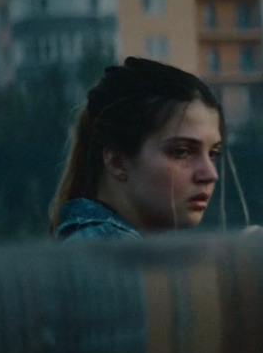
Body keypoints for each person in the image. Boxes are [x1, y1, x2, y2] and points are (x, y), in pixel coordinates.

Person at [49, 57, 224, 241]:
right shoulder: (108, 248)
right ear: (117, 162)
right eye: (181, 151)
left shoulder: (119, 248)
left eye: (213, 153)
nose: (210, 174)